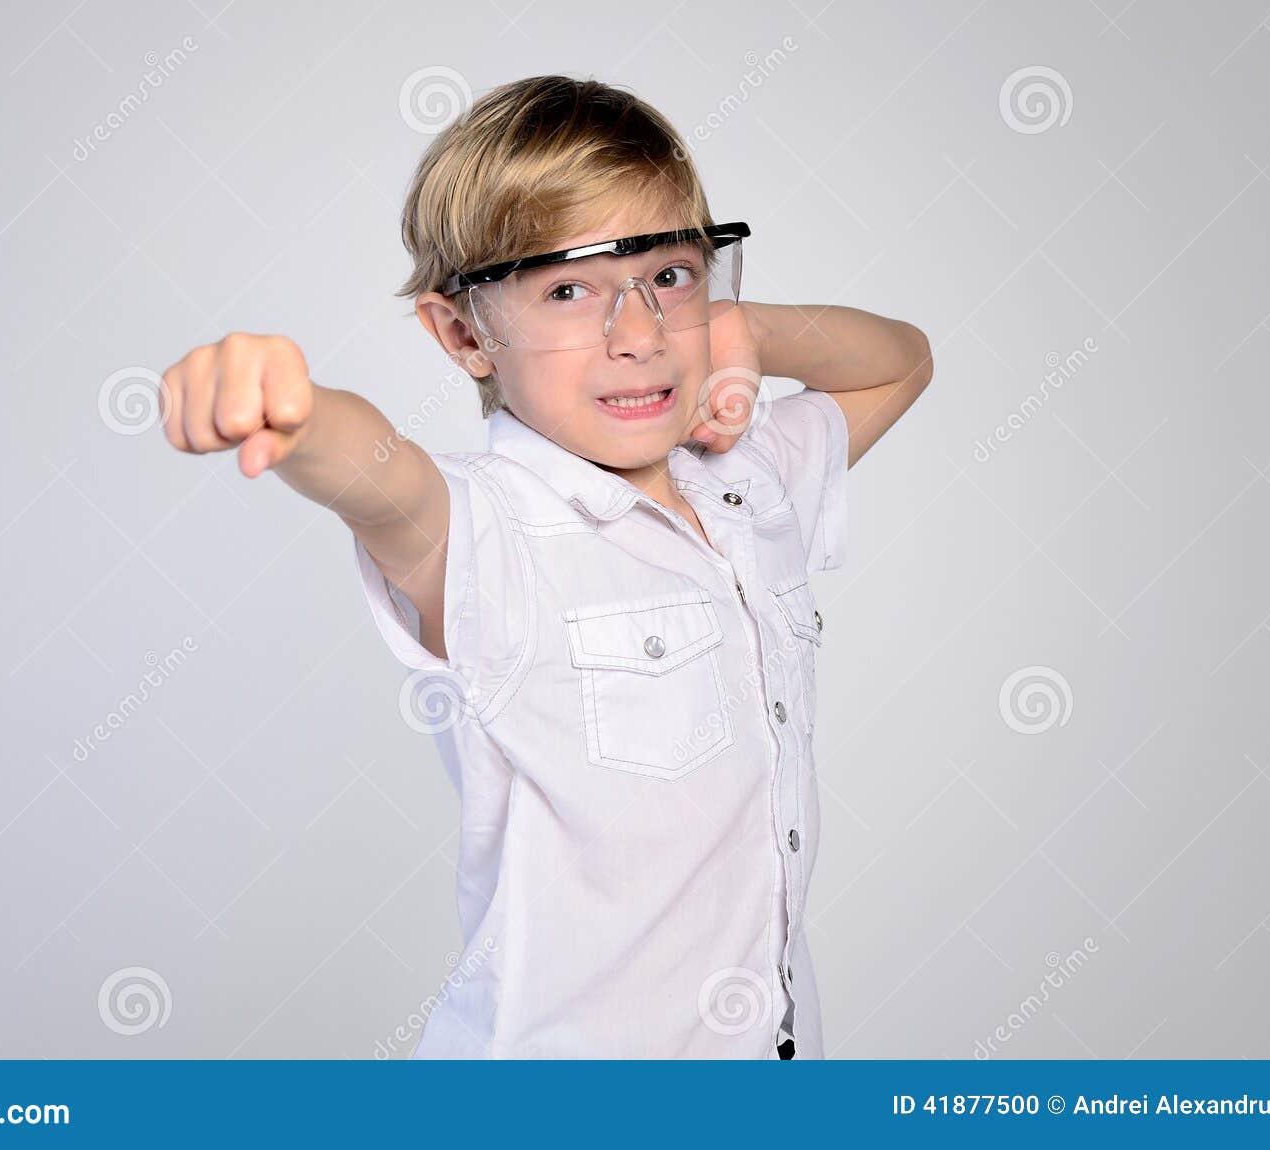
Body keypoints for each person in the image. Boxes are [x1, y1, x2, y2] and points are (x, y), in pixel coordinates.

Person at [157, 74, 933, 1058]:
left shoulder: (746, 481)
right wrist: (297, 412)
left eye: (670, 275)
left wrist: (741, 328)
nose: (638, 335)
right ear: (463, 333)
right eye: (568, 290)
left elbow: (901, 361)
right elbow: (384, 480)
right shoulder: (492, 531)